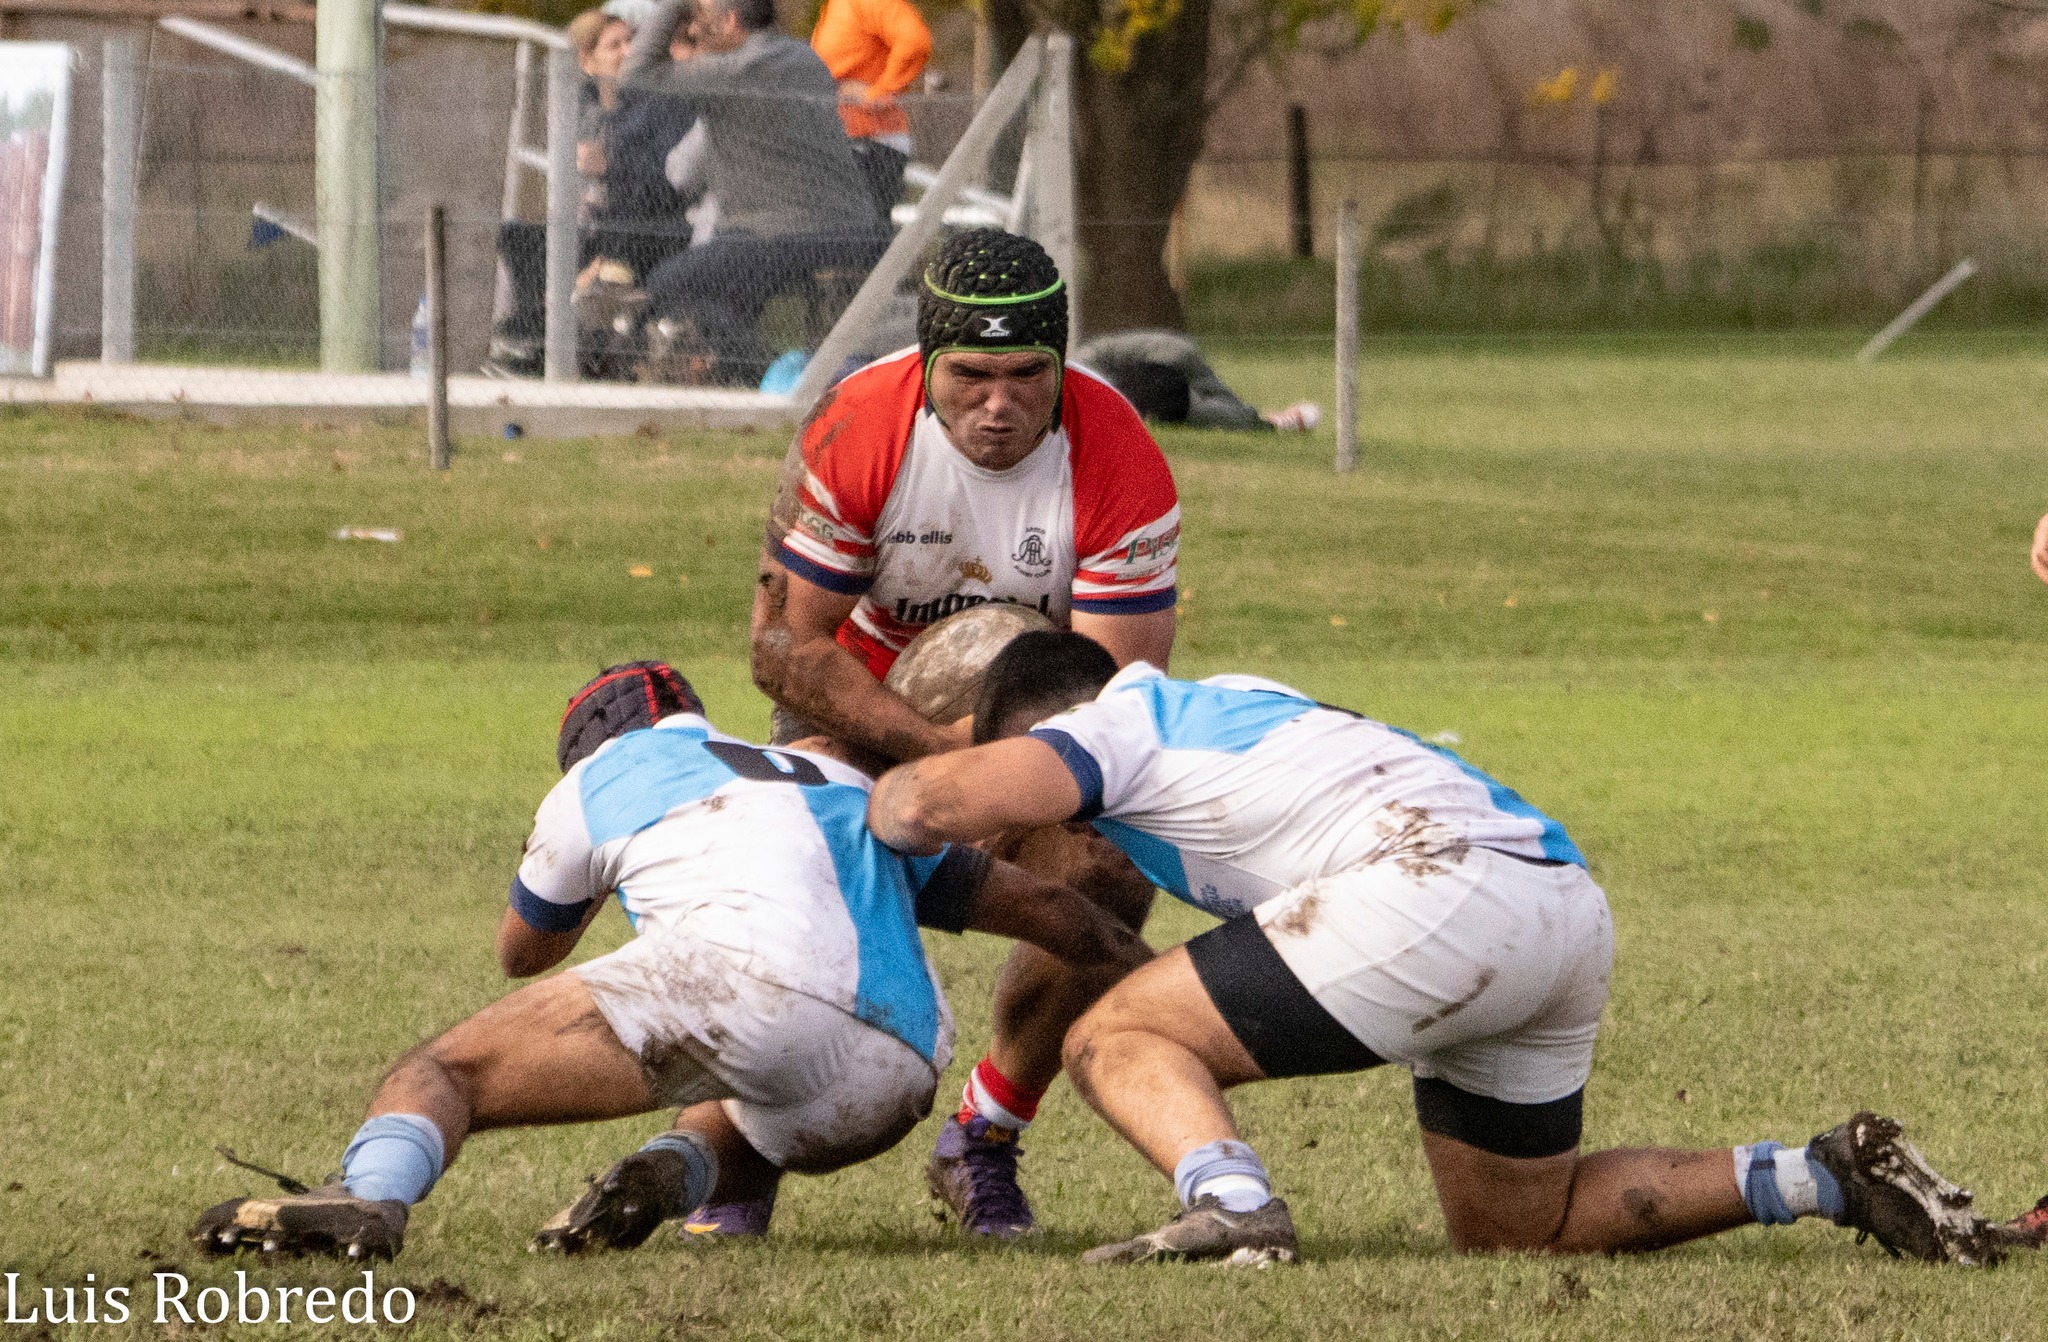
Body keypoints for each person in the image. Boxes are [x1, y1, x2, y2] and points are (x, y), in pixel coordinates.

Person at [863, 631, 2014, 1266]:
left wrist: (842, 796)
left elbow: (928, 807)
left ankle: (1233, 1210)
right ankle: (1816, 1172)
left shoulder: (1101, 729)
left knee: (1114, 1030)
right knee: (1518, 1229)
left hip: (1429, 895)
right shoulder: (1227, 699)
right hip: (1556, 904)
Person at [188, 661, 1150, 1260]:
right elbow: (1045, 910)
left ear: (582, 751)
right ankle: (669, 1171)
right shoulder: (832, 778)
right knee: (739, 1101)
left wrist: (608, 867)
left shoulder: (602, 779)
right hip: (899, 1068)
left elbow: (523, 952)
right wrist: (1158, 984)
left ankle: (367, 1198)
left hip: (738, 983)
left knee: (442, 1070)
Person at [721, 227, 1179, 1240]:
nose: (999, 404)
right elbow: (783, 651)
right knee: (796, 863)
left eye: (1026, 376)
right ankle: (737, 1153)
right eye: (969, 376)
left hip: (1029, 722)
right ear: (928, 365)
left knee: (1113, 860)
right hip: (858, 705)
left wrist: (987, 778)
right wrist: (930, 755)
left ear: (1060, 369)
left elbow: (1114, 699)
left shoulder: (1119, 458)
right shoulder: (857, 426)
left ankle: (982, 1135)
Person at [622, 0, 888, 385]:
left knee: (670, 281)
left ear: (730, 22)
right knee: (726, 295)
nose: (696, 29)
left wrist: (674, 5)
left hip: (785, 236)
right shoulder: (804, 57)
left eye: (703, 19)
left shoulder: (738, 69)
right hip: (854, 230)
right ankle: (746, 377)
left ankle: (772, 380)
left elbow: (635, 72)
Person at [809, 0, 931, 217]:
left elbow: (914, 41)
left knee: (863, 234)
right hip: (844, 141)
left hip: (871, 144)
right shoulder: (835, 6)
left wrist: (878, 94)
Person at [1074, 328, 1318, 432]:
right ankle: (1265, 422)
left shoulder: (1084, 373)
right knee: (1200, 408)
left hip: (1165, 360)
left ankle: (1267, 423)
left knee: (1198, 409)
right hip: (1154, 367)